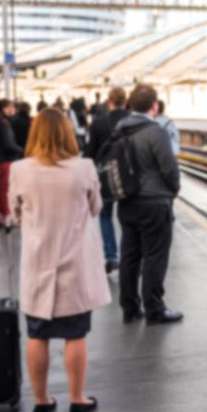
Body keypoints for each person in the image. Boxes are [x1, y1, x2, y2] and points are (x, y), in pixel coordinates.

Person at [10, 108, 109, 412]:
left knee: (37, 335)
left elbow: (14, 213)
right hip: (74, 265)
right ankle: (77, 398)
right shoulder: (84, 168)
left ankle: (41, 400)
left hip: (38, 264)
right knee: (75, 334)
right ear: (68, 133)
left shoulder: (20, 170)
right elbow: (96, 208)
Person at [115, 84, 183, 325]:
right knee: (155, 256)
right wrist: (173, 190)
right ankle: (154, 308)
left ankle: (130, 307)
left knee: (130, 256)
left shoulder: (120, 128)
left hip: (126, 202)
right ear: (154, 105)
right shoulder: (156, 132)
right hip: (154, 202)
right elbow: (169, 168)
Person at [85, 86, 130, 274]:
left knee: (105, 216)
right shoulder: (133, 120)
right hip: (130, 175)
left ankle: (111, 256)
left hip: (105, 177)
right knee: (129, 218)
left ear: (109, 102)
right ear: (125, 102)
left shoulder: (98, 123)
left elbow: (90, 153)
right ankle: (130, 256)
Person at [0, 99, 23, 230]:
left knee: (1, 189)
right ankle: (7, 217)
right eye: (11, 107)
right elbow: (9, 144)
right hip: (5, 159)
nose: (13, 109)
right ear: (4, 109)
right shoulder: (4, 124)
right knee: (6, 189)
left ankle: (1, 217)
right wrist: (22, 150)